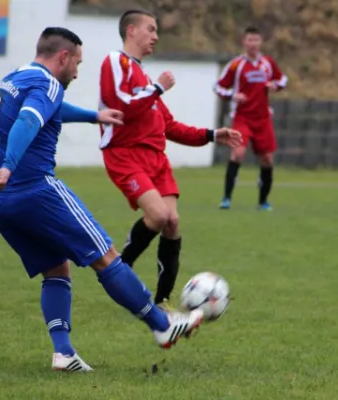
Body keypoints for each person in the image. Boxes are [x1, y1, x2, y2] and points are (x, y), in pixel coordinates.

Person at [0, 27, 205, 373]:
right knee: (107, 257)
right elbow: (29, 120)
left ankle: (63, 353)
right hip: (35, 190)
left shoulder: (15, 78)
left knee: (56, 268)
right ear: (63, 57)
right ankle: (162, 326)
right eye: (77, 64)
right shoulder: (48, 83)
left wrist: (93, 116)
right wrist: (10, 167)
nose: (76, 71)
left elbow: (47, 109)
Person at [98, 10, 242, 307]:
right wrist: (158, 88)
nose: (156, 36)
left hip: (156, 160)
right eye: (150, 29)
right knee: (159, 215)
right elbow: (119, 105)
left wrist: (214, 134)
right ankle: (119, 269)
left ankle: (161, 301)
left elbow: (170, 127)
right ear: (131, 31)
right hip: (126, 156)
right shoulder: (116, 62)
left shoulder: (146, 79)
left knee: (172, 222)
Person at [214, 26, 288, 211]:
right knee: (238, 153)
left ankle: (263, 201)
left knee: (267, 160)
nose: (253, 44)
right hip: (242, 117)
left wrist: (275, 85)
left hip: (263, 119)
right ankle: (226, 199)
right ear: (243, 42)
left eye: (256, 40)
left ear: (261, 42)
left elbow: (283, 80)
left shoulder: (268, 63)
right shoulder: (236, 65)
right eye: (250, 40)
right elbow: (217, 86)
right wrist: (233, 95)